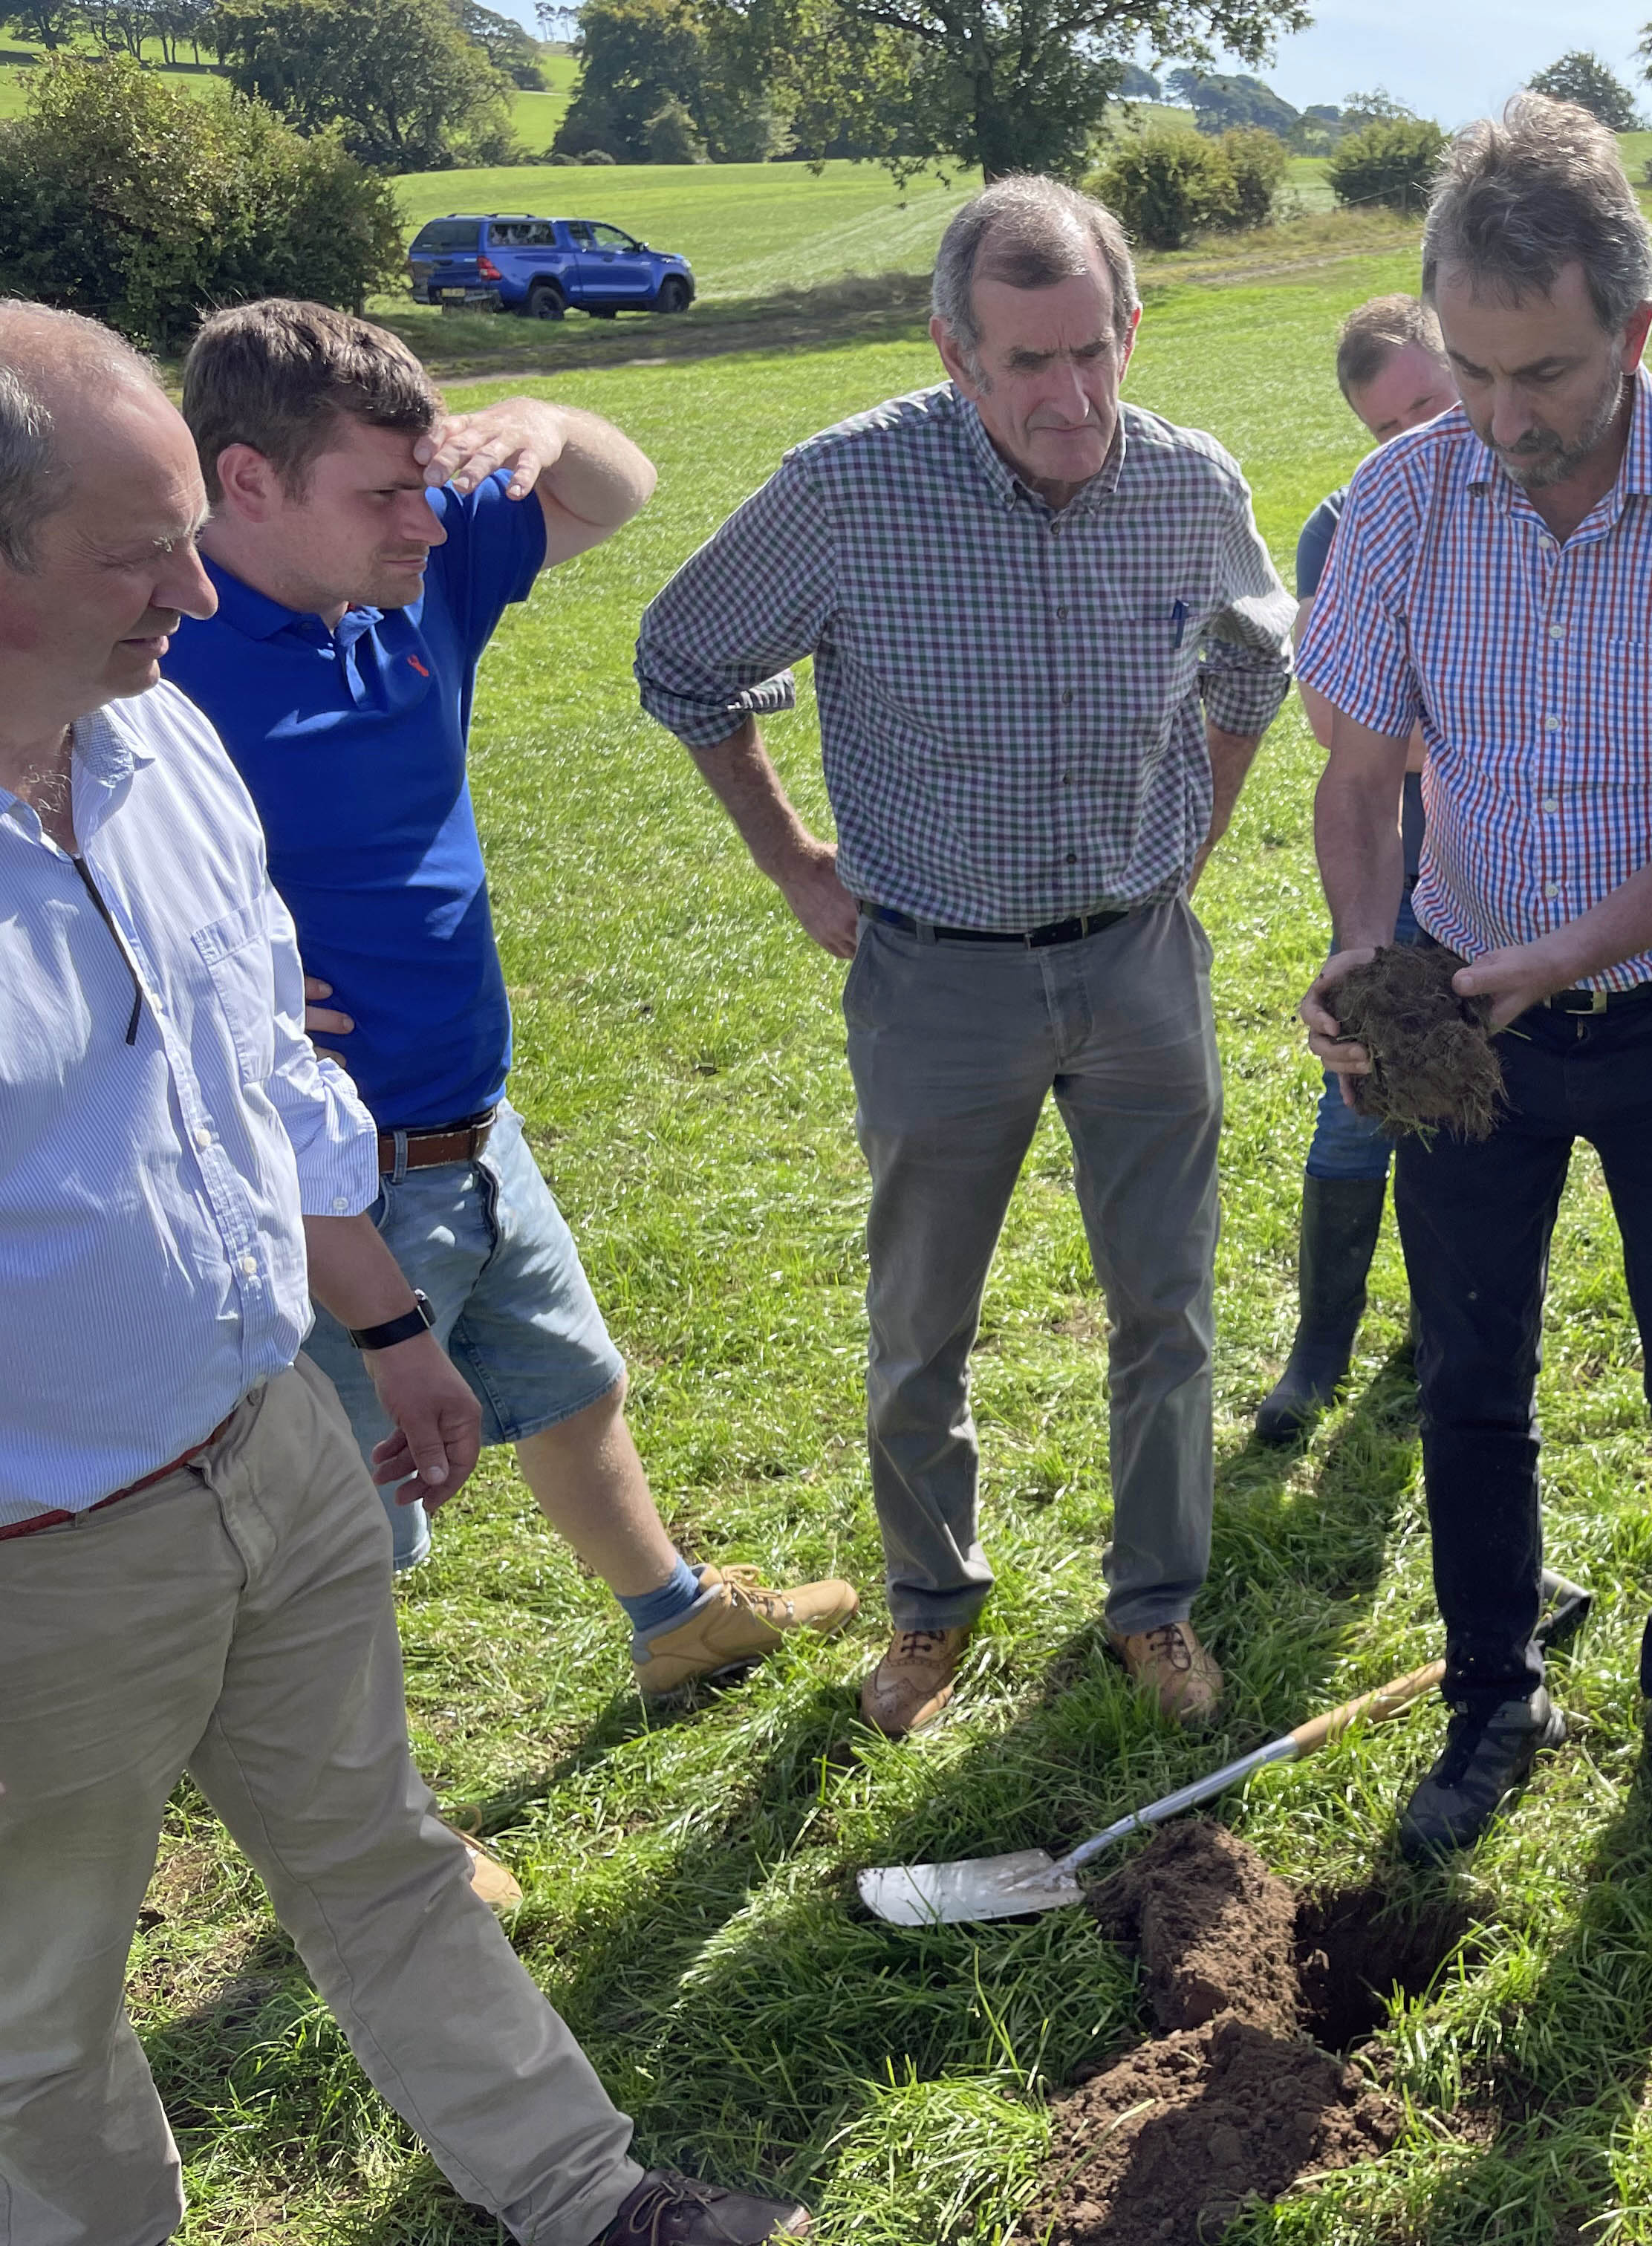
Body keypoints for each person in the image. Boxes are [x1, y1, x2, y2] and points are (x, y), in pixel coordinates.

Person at [0, 302, 810, 2246]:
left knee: (381, 1863)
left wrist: (379, 1323)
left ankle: (586, 2200)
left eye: (194, 533)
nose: (190, 593)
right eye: (135, 554)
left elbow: (258, 1076)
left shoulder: (156, 745)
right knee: (38, 2022)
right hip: (43, 1555)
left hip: (269, 1428)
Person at [160, 308, 858, 1838]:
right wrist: (207, 1000)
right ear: (247, 484)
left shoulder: (410, 576)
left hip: (474, 1121)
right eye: (384, 492)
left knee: (568, 1385)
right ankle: (378, 1820)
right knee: (346, 1526)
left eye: (434, 484)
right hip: (322, 1177)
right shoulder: (159, 649)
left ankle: (672, 1616)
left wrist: (542, 411)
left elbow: (616, 484)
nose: (428, 519)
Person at [637, 176, 1293, 1739]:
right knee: (922, 1314)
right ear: (953, 351)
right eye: (1027, 364)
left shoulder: (1190, 483)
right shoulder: (849, 492)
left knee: (1170, 1305)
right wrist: (796, 860)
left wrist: (1187, 853)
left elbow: (1255, 660)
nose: (1071, 397)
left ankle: (1156, 1606)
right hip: (940, 975)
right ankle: (931, 1610)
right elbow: (682, 657)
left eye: (1095, 351)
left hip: (1140, 964)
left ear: (1131, 328)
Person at [1298, 94, 1652, 1860]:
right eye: (1469, 369)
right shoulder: (1400, 502)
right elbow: (1358, 775)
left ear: (1634, 329)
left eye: (1540, 375)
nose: (1500, 418)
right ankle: (1490, 1694)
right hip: (1469, 1017)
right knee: (1470, 1375)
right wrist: (1369, 957)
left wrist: (1565, 957)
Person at [1252, 293, 1457, 1447]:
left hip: (1518, 875)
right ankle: (1319, 1349)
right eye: (1386, 429)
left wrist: (1428, 722)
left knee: (1477, 1120)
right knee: (1361, 1103)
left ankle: (1443, 1340)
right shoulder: (1347, 526)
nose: (1414, 439)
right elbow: (1341, 729)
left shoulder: (1528, 488)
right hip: (1405, 868)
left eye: (1429, 404)